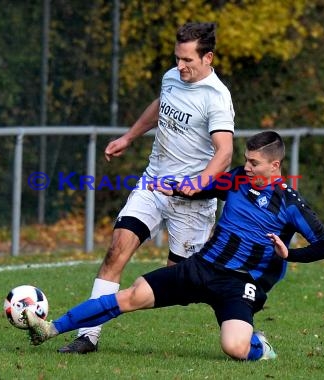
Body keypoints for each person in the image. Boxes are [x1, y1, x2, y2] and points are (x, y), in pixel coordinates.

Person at [24, 131, 324, 361]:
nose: (247, 166)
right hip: (201, 267)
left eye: (254, 163)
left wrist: (289, 254)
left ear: (275, 165)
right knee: (133, 294)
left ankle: (260, 346)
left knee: (235, 348)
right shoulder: (240, 178)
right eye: (245, 160)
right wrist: (176, 189)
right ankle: (50, 329)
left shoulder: (291, 202)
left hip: (240, 283)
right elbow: (208, 188)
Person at [58, 22, 235, 354]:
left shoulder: (217, 98)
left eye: (187, 60)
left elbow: (224, 152)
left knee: (184, 283)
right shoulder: (172, 77)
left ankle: (243, 329)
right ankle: (88, 335)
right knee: (116, 250)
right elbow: (159, 106)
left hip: (190, 203)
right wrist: (128, 136)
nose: (179, 66)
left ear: (208, 57)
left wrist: (198, 183)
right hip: (153, 183)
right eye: (177, 58)